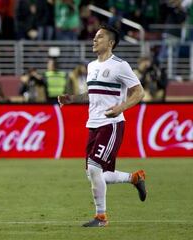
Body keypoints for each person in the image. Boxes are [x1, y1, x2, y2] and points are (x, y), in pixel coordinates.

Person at [58, 25, 147, 227]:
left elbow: (139, 92)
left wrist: (121, 108)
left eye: (99, 37)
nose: (94, 40)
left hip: (112, 124)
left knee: (95, 168)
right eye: (94, 37)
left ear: (111, 43)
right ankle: (135, 178)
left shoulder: (120, 65)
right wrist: (71, 98)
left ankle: (101, 217)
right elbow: (92, 93)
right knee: (94, 173)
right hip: (93, 124)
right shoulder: (91, 66)